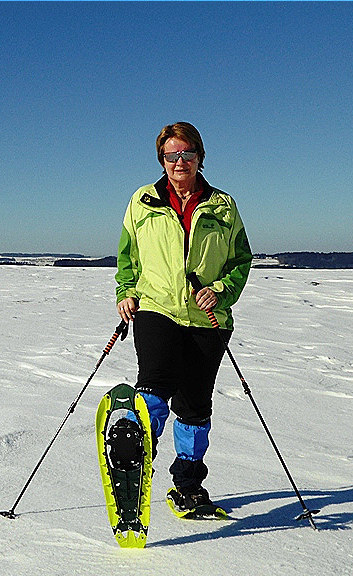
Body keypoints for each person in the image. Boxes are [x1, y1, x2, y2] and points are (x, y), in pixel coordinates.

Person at [114, 121, 252, 512]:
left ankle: (187, 486)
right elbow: (128, 257)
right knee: (156, 381)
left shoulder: (223, 206)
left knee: (194, 404)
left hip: (208, 316)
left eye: (186, 154)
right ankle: (135, 455)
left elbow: (242, 260)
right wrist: (126, 293)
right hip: (157, 307)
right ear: (162, 159)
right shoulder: (142, 201)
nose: (179, 162)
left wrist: (221, 290)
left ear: (199, 157)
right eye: (171, 155)